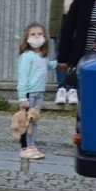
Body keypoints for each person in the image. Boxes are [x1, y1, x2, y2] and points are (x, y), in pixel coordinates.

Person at [47, 0, 94, 105]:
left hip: (79, 16)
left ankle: (73, 88)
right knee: (61, 52)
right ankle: (62, 87)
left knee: (77, 52)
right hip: (61, 16)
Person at [16, 22, 56, 160]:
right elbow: (22, 78)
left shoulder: (43, 56)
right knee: (25, 121)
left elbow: (46, 66)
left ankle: (32, 145)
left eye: (40, 34)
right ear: (27, 37)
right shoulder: (26, 57)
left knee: (34, 121)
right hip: (29, 93)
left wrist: (58, 63)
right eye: (33, 34)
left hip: (40, 92)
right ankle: (25, 148)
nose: (37, 37)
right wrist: (23, 97)